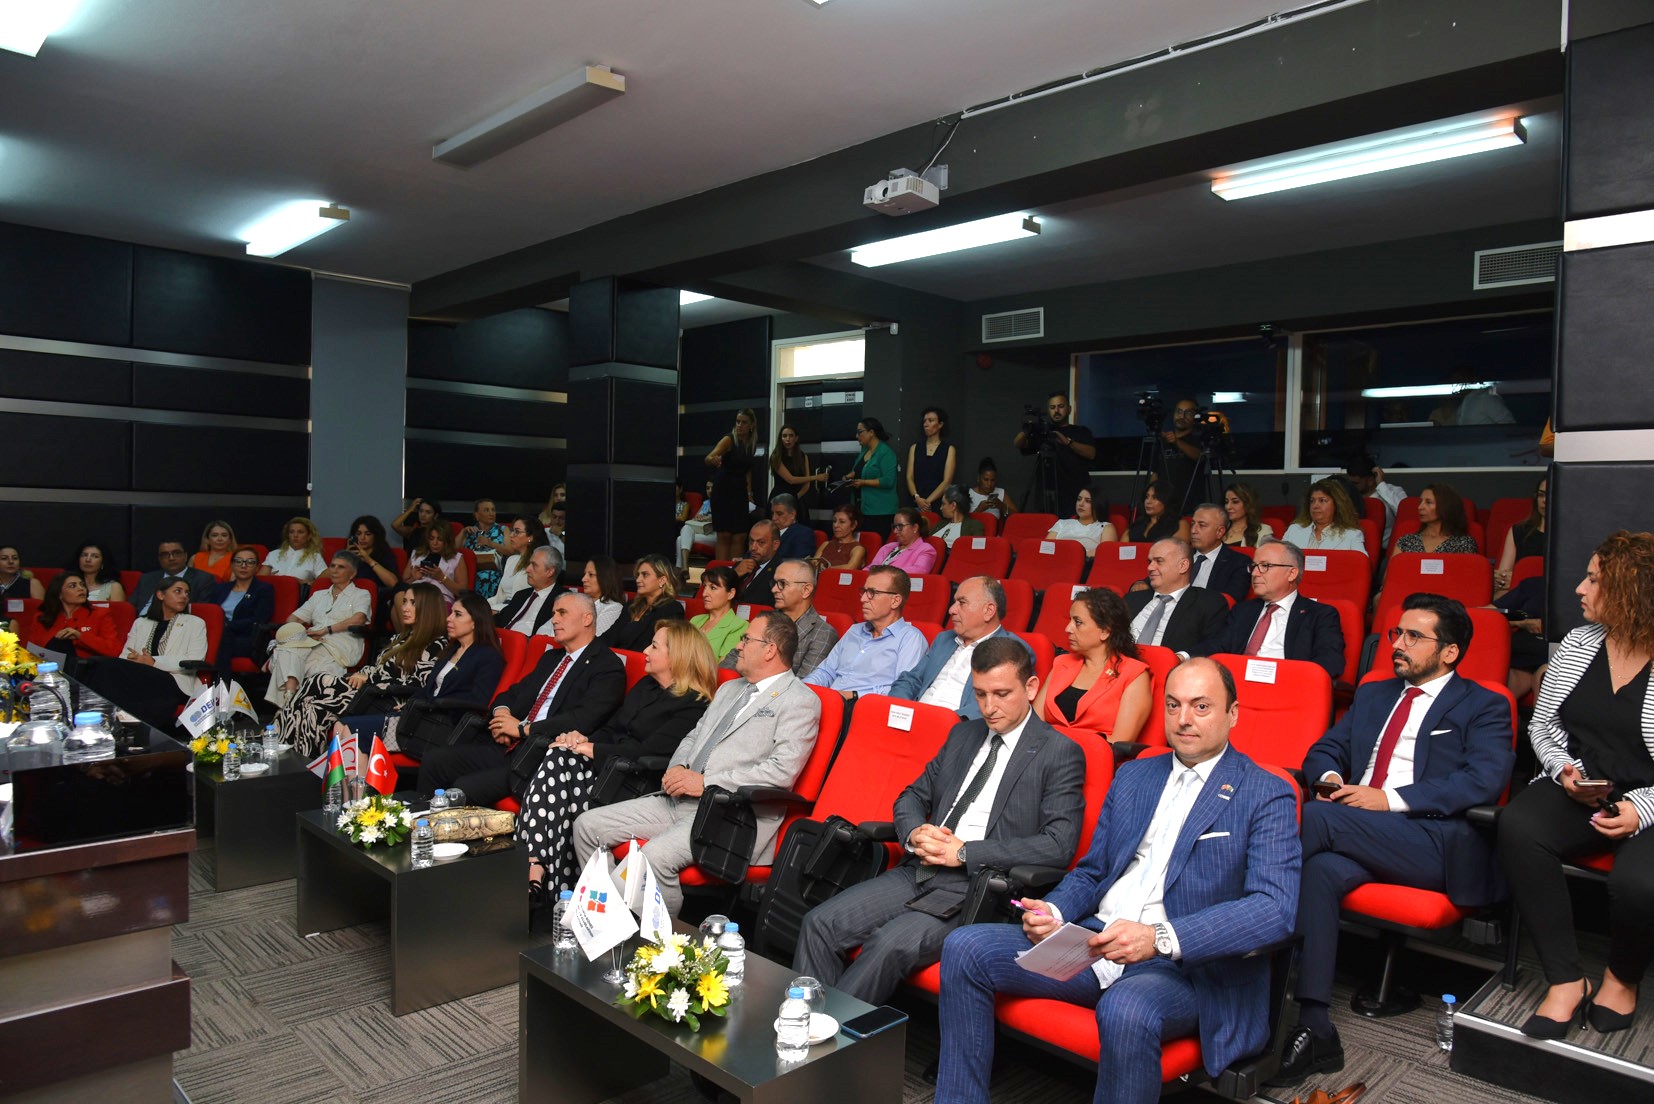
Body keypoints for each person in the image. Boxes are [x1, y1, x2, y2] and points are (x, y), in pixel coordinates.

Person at [935, 658, 1301, 1104]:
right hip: (1094, 945)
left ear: (1233, 714)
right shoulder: (1135, 775)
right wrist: (1054, 910)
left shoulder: (1265, 792)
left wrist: (1159, 938)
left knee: (1126, 1009)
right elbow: (1094, 870)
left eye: (1201, 706)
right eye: (1173, 705)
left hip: (1184, 968)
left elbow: (1273, 909)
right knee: (965, 948)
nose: (1183, 719)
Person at [1272, 594, 1514, 1084]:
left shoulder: (1484, 704)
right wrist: (1331, 779)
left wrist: (1390, 799)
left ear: (1449, 652)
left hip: (1432, 840)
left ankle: (1227, 937)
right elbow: (1326, 749)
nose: (1397, 644)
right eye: (1396, 634)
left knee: (1314, 820)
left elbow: (1482, 781)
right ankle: (1316, 1028)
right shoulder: (1375, 693)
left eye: (1413, 636)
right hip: (1357, 827)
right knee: (1320, 870)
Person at [795, 636, 1086, 1002]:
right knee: (820, 924)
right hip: (920, 870)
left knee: (888, 944)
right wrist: (915, 832)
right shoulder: (964, 733)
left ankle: (827, 1035)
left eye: (1001, 694)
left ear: (1030, 688)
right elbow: (912, 796)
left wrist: (965, 853)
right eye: (980, 694)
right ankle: (807, 1022)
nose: (989, 707)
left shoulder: (1059, 752)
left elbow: (1058, 845)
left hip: (977, 887)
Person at [1498, 532, 1654, 1039]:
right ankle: (1566, 979)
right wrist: (1565, 770)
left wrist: (1642, 810)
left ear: (1632, 590)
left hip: (1650, 797)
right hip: (1585, 784)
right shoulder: (1579, 644)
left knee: (1638, 883)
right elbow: (1543, 726)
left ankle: (1622, 978)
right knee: (1519, 825)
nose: (1579, 589)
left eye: (1593, 580)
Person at [572, 610, 822, 916]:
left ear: (770, 649)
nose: (738, 646)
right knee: (587, 826)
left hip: (730, 814)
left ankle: (656, 938)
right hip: (680, 799)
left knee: (654, 856)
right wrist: (678, 767)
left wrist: (706, 782)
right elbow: (694, 735)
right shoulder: (730, 689)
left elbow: (781, 772)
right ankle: (609, 921)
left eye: (746, 639)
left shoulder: (799, 700)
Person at [520, 620, 716, 897]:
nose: (645, 650)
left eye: (654, 646)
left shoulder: (694, 705)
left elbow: (651, 752)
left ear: (677, 657)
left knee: (558, 767)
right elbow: (613, 729)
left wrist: (592, 750)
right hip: (606, 769)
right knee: (559, 753)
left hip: (634, 781)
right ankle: (543, 871)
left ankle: (540, 870)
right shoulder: (647, 686)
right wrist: (581, 740)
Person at [420, 592, 626, 806]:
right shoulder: (551, 658)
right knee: (434, 760)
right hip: (511, 745)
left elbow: (583, 719)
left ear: (587, 619)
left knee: (462, 788)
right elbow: (511, 694)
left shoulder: (607, 666)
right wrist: (501, 717)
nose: (554, 620)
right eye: (553, 613)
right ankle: (418, 819)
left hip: (542, 756)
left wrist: (523, 729)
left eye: (562, 613)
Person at [275, 585, 447, 757]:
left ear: (428, 608)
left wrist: (370, 680)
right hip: (368, 690)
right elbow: (378, 667)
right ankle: (297, 757)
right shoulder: (400, 637)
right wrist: (362, 674)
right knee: (311, 704)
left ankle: (280, 738)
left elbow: (419, 685)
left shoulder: (436, 645)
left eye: (413, 603)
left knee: (318, 682)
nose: (405, 608)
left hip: (386, 698)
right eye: (404, 602)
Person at [342, 591, 506, 758]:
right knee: (342, 727)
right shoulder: (453, 649)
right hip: (421, 716)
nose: (449, 618)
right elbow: (430, 687)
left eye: (457, 614)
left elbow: (477, 702)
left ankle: (353, 776)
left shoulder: (488, 657)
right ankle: (358, 776)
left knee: (348, 730)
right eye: (451, 613)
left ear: (475, 622)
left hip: (441, 726)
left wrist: (428, 705)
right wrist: (411, 703)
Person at [1193, 539, 1346, 680]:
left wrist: (1289, 678)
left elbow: (1330, 661)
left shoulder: (1320, 615)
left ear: (1291, 573)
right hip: (1237, 686)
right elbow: (1218, 644)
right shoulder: (1243, 610)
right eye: (1254, 566)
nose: (1255, 573)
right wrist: (1184, 656)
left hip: (1287, 687)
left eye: (1265, 566)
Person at [890, 577, 1033, 719]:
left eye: (962, 603)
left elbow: (996, 705)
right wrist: (897, 709)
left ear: (988, 611)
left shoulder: (1012, 650)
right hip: (910, 718)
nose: (951, 610)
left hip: (956, 727)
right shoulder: (944, 639)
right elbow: (911, 679)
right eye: (954, 602)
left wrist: (940, 722)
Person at [77, 579, 208, 729]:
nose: (184, 596)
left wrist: (153, 662)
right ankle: (103, 720)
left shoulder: (195, 623)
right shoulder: (141, 622)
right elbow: (125, 656)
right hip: (140, 676)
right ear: (160, 595)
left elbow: (195, 659)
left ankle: (95, 721)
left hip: (175, 681)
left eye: (187, 593)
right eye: (178, 591)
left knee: (104, 665)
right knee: (97, 665)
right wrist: (136, 660)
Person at [1036, 588, 1152, 743]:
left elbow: (1120, 742)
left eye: (1078, 622)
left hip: (1093, 755)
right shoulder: (1062, 663)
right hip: (1044, 751)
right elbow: (1033, 724)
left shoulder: (1134, 674)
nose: (1068, 629)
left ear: (1105, 631)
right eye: (1070, 621)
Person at [804, 565, 929, 702]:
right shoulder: (854, 630)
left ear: (895, 601)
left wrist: (854, 695)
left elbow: (902, 690)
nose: (863, 599)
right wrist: (802, 688)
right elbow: (826, 671)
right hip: (829, 702)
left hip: (866, 707)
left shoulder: (910, 639)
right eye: (864, 591)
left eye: (872, 593)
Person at [264, 551, 372, 707]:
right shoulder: (319, 595)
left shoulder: (361, 594)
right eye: (332, 566)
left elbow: (359, 619)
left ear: (352, 573)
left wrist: (326, 630)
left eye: (341, 567)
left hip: (340, 643)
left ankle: (287, 705)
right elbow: (293, 618)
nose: (334, 570)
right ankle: (289, 700)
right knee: (290, 651)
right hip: (312, 641)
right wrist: (300, 632)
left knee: (287, 655)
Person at [1125, 539, 1231, 658]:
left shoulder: (1208, 603)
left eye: (1159, 561)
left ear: (1183, 566)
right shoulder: (1131, 599)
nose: (1150, 567)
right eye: (1150, 562)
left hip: (1171, 666)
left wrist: (1182, 657)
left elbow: (1215, 643)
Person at [1014, 391, 1097, 511]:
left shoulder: (1081, 431)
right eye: (1052, 407)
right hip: (1047, 497)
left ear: (1069, 409)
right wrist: (1027, 430)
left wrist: (1067, 442)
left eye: (1060, 406)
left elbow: (1091, 454)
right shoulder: (1043, 432)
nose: (1056, 410)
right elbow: (1018, 444)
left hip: (1075, 495)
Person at [598, 554, 686, 651]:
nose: (638, 580)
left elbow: (659, 648)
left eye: (645, 575)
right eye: (638, 575)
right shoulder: (631, 606)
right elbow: (609, 637)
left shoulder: (672, 609)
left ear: (662, 580)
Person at [25, 573, 122, 659]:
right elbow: (31, 652)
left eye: (82, 584)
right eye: (72, 586)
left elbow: (115, 650)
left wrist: (80, 636)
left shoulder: (100, 614)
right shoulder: (42, 618)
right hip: (48, 668)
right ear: (59, 594)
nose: (81, 588)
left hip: (86, 668)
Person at [707, 407, 759, 561]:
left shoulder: (751, 443)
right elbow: (709, 457)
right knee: (724, 535)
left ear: (752, 425)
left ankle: (735, 571)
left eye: (744, 422)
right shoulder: (729, 439)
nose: (740, 425)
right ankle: (721, 571)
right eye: (738, 422)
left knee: (740, 535)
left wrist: (749, 492)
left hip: (739, 491)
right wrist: (713, 459)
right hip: (723, 489)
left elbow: (747, 470)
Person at [210, 548, 275, 666]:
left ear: (257, 568)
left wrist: (228, 625)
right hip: (218, 633)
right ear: (232, 565)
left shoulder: (263, 589)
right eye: (238, 561)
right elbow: (211, 612)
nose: (243, 566)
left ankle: (222, 678)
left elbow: (259, 619)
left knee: (220, 642)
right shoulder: (220, 588)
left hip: (246, 637)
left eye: (250, 562)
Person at [1186, 503, 1253, 606]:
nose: (1193, 530)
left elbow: (1229, 601)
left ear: (1219, 532)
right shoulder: (1179, 555)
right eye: (1192, 524)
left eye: (1202, 525)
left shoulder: (1238, 563)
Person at [1282, 478, 1367, 555]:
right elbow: (1279, 560)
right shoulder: (1293, 530)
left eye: (1322, 500)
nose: (1315, 506)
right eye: (1312, 501)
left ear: (1337, 504)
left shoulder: (1352, 535)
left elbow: (1361, 564)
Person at [495, 546, 565, 638]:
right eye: (529, 564)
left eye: (534, 565)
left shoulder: (562, 600)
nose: (527, 569)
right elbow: (500, 619)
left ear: (550, 572)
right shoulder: (521, 595)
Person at [131, 539, 217, 614]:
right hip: (141, 623)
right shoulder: (147, 579)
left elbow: (201, 611)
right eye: (165, 554)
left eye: (176, 553)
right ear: (159, 559)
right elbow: (131, 607)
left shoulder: (203, 579)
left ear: (185, 556)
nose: (171, 558)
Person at [1495, 475, 1548, 594]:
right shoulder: (1519, 531)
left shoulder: (1570, 537)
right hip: (1518, 596)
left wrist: (1517, 579)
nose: (1544, 500)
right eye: (1541, 495)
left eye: (1550, 495)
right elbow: (1502, 580)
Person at [851, 416, 900, 541]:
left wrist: (863, 482)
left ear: (871, 432)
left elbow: (888, 480)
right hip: (863, 508)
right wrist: (850, 476)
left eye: (860, 432)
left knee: (877, 543)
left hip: (881, 510)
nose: (857, 436)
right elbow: (860, 470)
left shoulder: (886, 452)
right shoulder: (865, 450)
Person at [1395, 484, 1478, 554]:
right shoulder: (1406, 542)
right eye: (1420, 502)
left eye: (1428, 502)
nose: (1420, 507)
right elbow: (1393, 568)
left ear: (1446, 506)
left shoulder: (1463, 543)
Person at [1345, 456, 1406, 549]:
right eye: (1351, 483)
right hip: (1354, 546)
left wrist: (1381, 486)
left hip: (1386, 550)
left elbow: (1405, 515)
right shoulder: (1348, 495)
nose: (1352, 487)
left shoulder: (1393, 491)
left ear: (1370, 481)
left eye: (1356, 483)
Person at [907, 405, 959, 512]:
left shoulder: (949, 449)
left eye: (930, 421)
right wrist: (917, 497)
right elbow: (909, 477)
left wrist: (927, 502)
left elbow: (947, 481)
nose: (926, 424)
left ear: (940, 424)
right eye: (924, 421)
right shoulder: (915, 448)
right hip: (916, 502)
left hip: (938, 504)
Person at [691, 565, 748, 661]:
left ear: (731, 593)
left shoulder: (739, 626)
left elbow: (724, 665)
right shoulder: (695, 620)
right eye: (705, 587)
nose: (704, 594)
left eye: (713, 588)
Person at [402, 522, 468, 603]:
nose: (435, 543)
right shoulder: (417, 553)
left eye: (440, 539)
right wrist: (413, 578)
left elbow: (462, 591)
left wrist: (442, 578)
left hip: (441, 599)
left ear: (447, 540)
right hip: (416, 596)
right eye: (431, 538)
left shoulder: (456, 558)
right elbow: (404, 584)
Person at [1158, 398, 1204, 513]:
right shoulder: (1163, 441)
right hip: (1164, 504)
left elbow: (1199, 456)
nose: (1182, 416)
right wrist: (1151, 497)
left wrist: (1176, 442)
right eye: (1179, 412)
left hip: (1190, 505)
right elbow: (1155, 473)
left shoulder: (1200, 439)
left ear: (1195, 417)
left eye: (1188, 413)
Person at [1046, 485, 1118, 557]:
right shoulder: (1061, 523)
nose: (1081, 504)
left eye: (1088, 501)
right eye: (1079, 499)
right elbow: (1046, 549)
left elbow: (1105, 553)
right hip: (1056, 561)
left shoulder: (1106, 527)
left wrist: (1072, 556)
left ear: (1098, 504)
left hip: (1087, 562)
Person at [488, 516, 541, 612]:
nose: (511, 535)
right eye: (512, 531)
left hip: (519, 611)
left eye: (517, 531)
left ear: (530, 537)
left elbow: (529, 601)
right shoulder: (511, 560)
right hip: (501, 607)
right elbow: (499, 597)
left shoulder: (537, 563)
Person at [769, 424, 827, 512]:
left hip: (797, 497)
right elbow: (791, 480)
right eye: (784, 436)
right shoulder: (776, 457)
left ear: (796, 438)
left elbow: (807, 484)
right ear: (781, 438)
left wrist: (796, 497)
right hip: (780, 498)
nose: (787, 439)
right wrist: (816, 477)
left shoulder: (803, 456)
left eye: (791, 436)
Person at [459, 498, 509, 599]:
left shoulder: (503, 530)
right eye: (486, 510)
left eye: (493, 510)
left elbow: (510, 551)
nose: (491, 513)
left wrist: (489, 543)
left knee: (488, 576)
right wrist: (463, 532)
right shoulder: (469, 531)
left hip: (495, 573)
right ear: (477, 515)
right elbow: (451, 551)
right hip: (471, 573)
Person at [869, 508, 938, 575]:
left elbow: (919, 571)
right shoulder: (887, 547)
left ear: (915, 528)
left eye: (900, 526)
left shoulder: (926, 550)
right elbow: (871, 568)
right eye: (894, 527)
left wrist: (882, 573)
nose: (895, 531)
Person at [731, 519, 783, 605]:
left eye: (761, 542)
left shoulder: (781, 572)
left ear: (775, 545)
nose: (753, 548)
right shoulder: (741, 565)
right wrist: (734, 574)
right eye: (751, 541)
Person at [260, 516, 327, 582]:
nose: (295, 535)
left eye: (300, 532)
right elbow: (259, 580)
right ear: (288, 535)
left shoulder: (315, 557)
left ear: (309, 536)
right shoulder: (273, 554)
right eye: (291, 532)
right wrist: (271, 579)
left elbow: (322, 582)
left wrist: (307, 583)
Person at [346, 515, 402, 590]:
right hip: (353, 593)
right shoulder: (349, 553)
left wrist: (369, 560)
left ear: (376, 536)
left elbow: (394, 583)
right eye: (358, 534)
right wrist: (345, 558)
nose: (362, 538)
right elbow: (332, 578)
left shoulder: (384, 554)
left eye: (368, 534)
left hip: (379, 593)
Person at [581, 556, 626, 638]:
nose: (583, 579)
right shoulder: (579, 603)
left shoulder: (613, 608)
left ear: (605, 578)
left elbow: (595, 640)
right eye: (585, 574)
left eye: (591, 574)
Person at [675, 479, 716, 569]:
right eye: (707, 488)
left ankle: (681, 567)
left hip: (714, 535)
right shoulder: (706, 503)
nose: (710, 491)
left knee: (680, 539)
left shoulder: (723, 503)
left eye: (712, 488)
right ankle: (684, 567)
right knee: (684, 531)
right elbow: (694, 519)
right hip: (702, 533)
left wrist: (708, 518)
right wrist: (698, 518)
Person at [812, 504, 867, 570]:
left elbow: (850, 568)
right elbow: (813, 565)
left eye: (842, 522)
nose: (835, 525)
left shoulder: (857, 549)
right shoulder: (825, 544)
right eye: (834, 521)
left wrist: (824, 570)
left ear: (853, 525)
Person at [1220, 482, 1274, 549]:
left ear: (1248, 504)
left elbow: (1269, 554)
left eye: (1235, 502)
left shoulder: (1262, 531)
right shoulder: (1219, 529)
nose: (1228, 507)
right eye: (1226, 502)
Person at [768, 493, 816, 562]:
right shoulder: (767, 530)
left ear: (792, 514)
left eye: (779, 514)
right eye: (772, 513)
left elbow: (799, 562)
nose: (773, 518)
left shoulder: (803, 533)